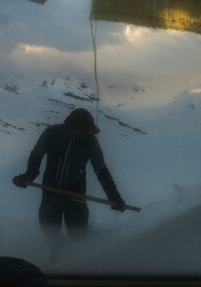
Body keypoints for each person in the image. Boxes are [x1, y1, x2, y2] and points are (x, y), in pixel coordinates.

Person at [12, 108, 126, 259]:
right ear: (74, 128)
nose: (88, 134)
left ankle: (77, 262)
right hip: (50, 190)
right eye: (85, 130)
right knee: (49, 229)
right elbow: (37, 154)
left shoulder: (90, 142)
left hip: (76, 192)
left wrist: (114, 196)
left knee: (78, 232)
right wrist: (29, 176)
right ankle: (56, 259)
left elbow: (101, 170)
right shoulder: (52, 133)